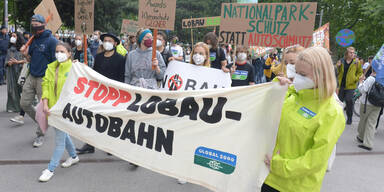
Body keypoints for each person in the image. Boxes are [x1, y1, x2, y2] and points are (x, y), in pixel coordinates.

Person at [263, 47, 345, 192]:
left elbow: (316, 160)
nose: (296, 78)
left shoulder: (332, 112)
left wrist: (279, 165)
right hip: (269, 178)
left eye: (302, 74)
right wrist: (277, 87)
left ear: (322, 76)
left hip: (296, 186)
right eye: (296, 72)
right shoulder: (293, 95)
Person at [76, 33, 126, 155]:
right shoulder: (98, 57)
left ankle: (111, 146)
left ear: (115, 43)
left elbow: (121, 78)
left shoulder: (120, 59)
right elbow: (94, 75)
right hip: (99, 93)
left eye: (110, 40)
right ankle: (90, 145)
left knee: (112, 121)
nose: (107, 42)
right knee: (93, 119)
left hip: (114, 94)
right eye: (105, 40)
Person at [38, 42, 79, 182]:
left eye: (62, 51)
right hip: (52, 108)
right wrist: (45, 103)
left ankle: (50, 169)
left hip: (65, 110)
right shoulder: (51, 67)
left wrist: (80, 67)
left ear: (69, 53)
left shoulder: (74, 68)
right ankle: (74, 156)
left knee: (59, 141)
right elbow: (46, 85)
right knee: (62, 134)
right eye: (57, 51)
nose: (58, 54)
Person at [20, 14, 58, 147]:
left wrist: (53, 81)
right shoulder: (34, 39)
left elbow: (56, 62)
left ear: (43, 24)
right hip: (32, 75)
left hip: (44, 79)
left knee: (43, 109)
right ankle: (42, 121)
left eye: (37, 24)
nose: (34, 26)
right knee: (24, 103)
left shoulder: (52, 41)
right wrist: (25, 54)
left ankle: (40, 135)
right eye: (32, 24)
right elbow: (31, 59)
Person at [336, 47, 363, 125]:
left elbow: (360, 73)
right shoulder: (341, 61)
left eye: (353, 53)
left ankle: (349, 117)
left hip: (351, 86)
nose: (352, 54)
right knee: (339, 102)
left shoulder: (356, 63)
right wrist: (338, 66)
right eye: (350, 52)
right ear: (347, 54)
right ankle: (338, 118)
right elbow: (337, 71)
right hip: (341, 85)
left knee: (349, 101)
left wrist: (355, 78)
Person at [356, 69, 381, 151]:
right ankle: (368, 143)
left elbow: (362, 89)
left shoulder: (371, 78)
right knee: (371, 124)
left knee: (363, 121)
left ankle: (361, 136)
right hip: (379, 104)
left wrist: (360, 82)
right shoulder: (382, 79)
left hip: (367, 104)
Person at [6, 32, 26, 115]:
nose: (12, 37)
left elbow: (27, 60)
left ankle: (26, 106)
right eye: (11, 36)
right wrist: (8, 63)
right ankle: (13, 106)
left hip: (21, 71)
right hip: (11, 71)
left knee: (22, 89)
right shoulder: (9, 49)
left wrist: (17, 62)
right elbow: (6, 60)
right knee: (11, 89)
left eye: (14, 36)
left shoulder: (23, 48)